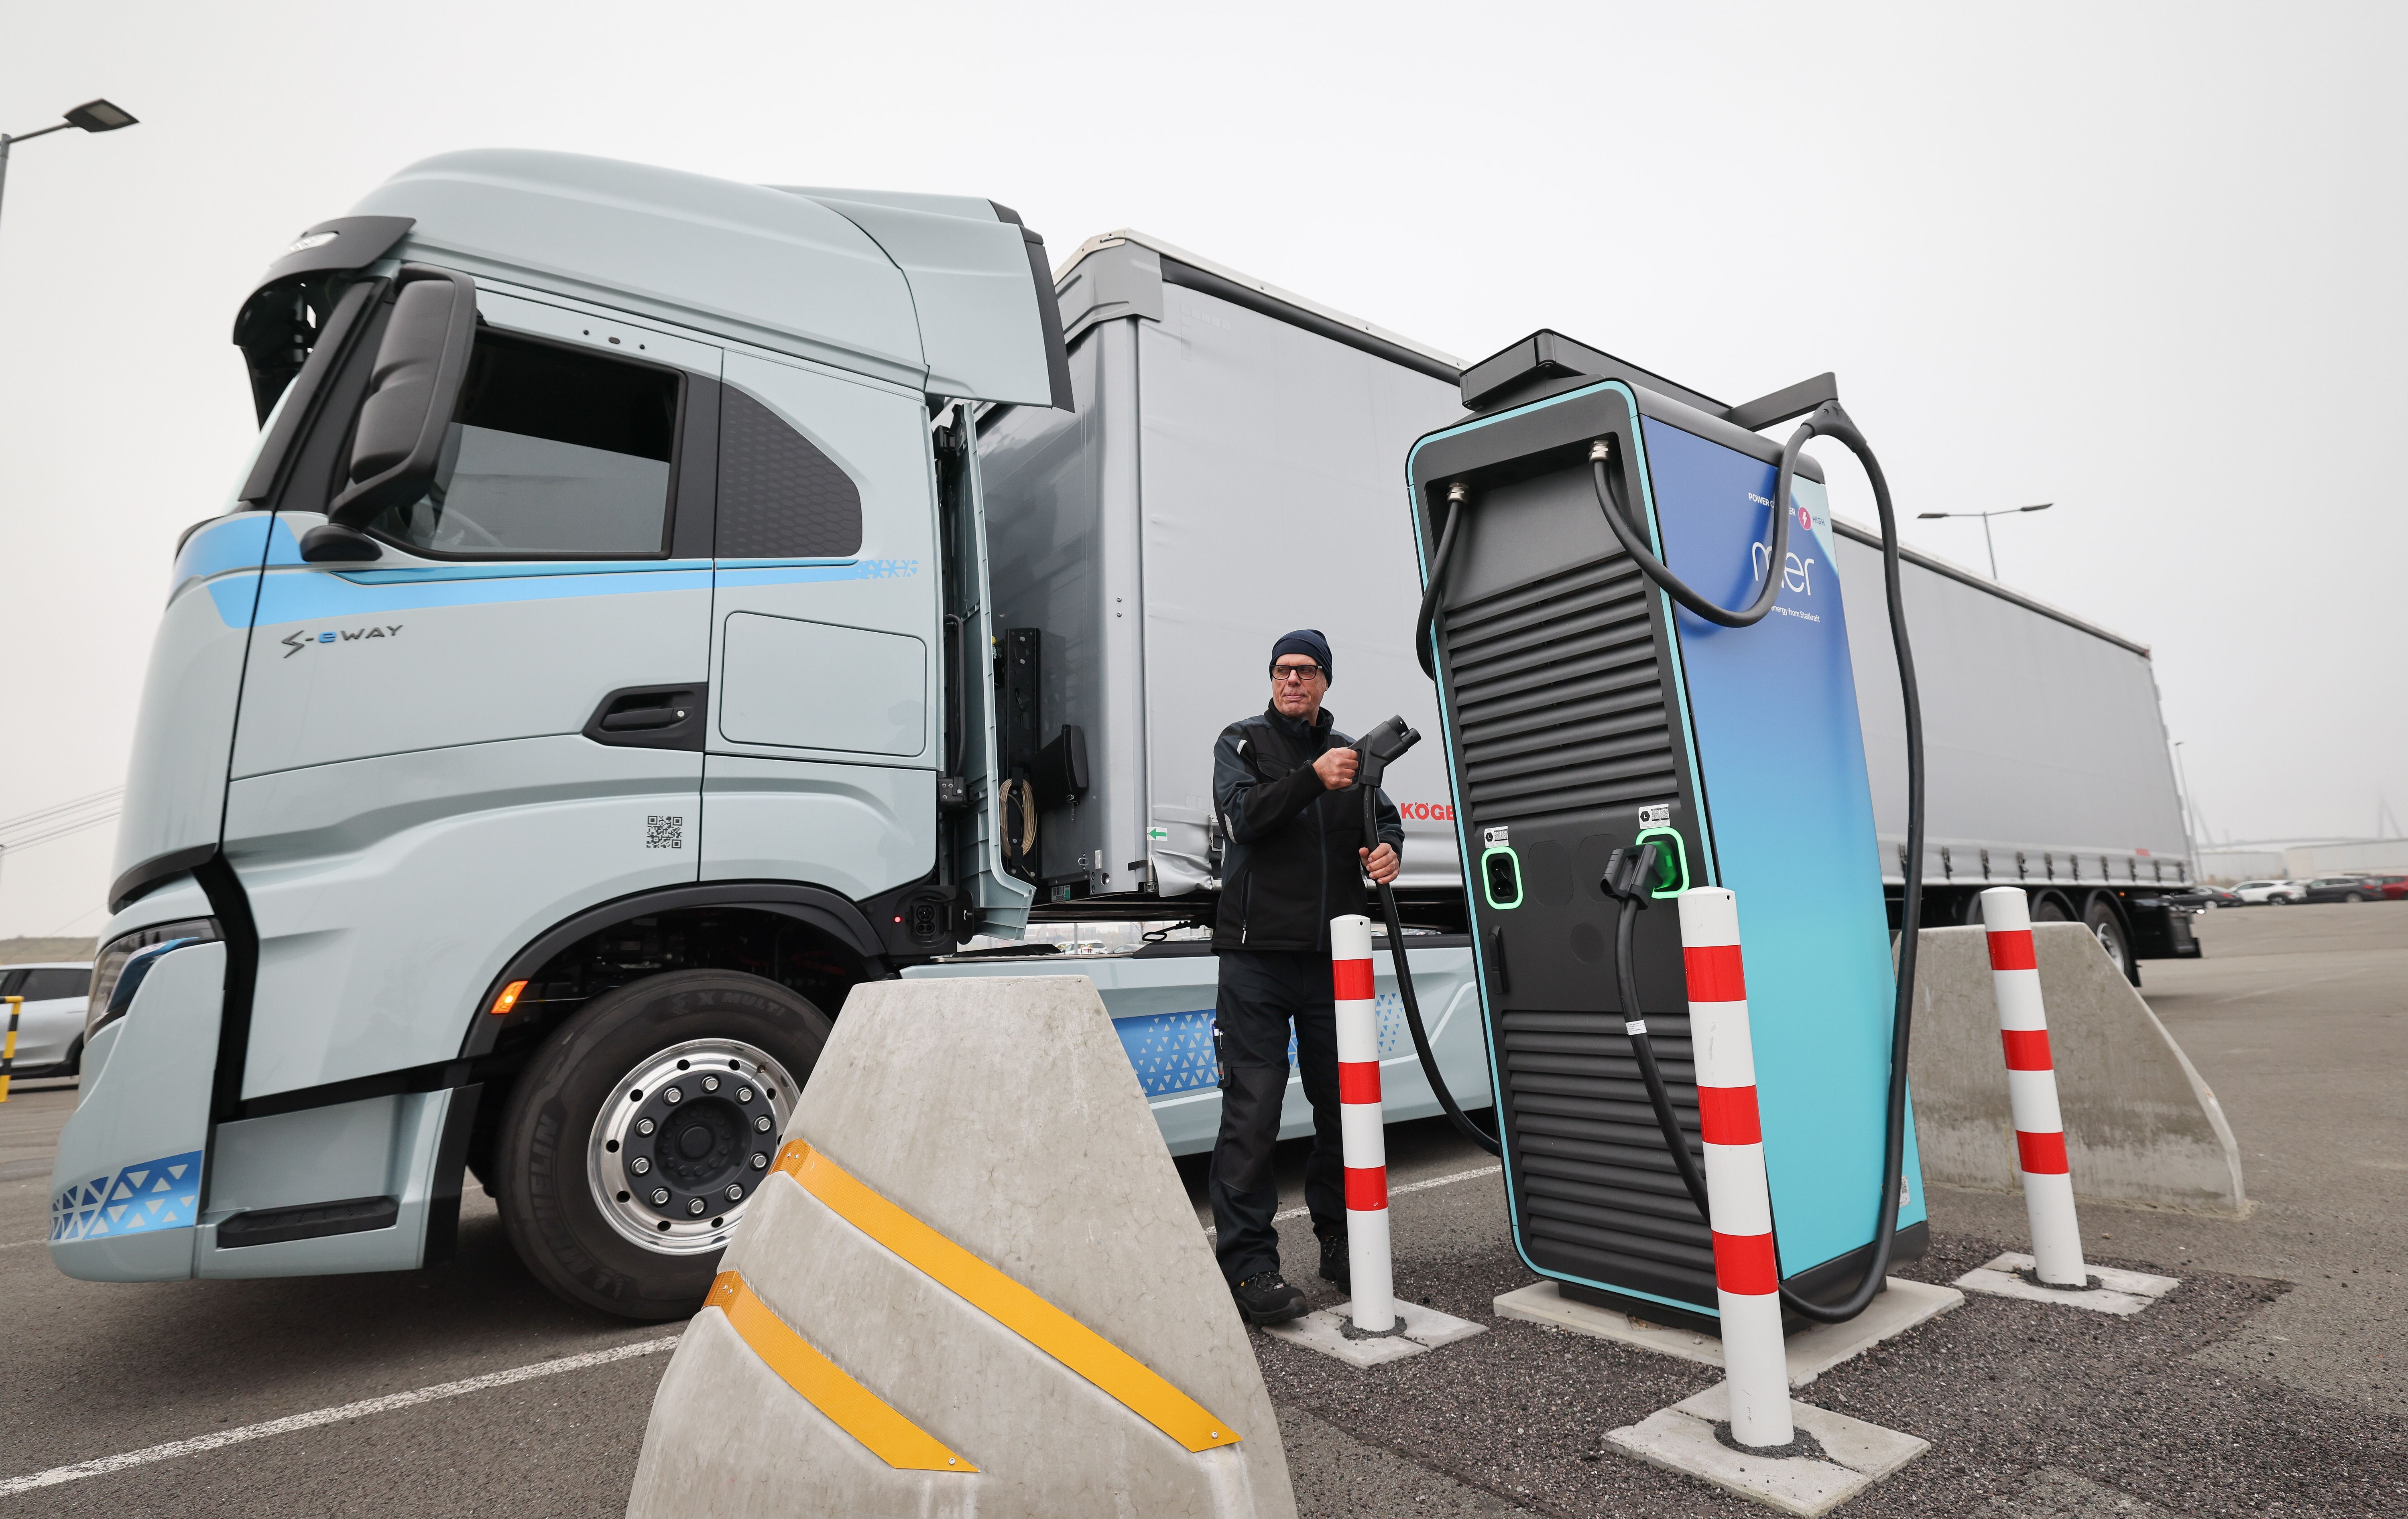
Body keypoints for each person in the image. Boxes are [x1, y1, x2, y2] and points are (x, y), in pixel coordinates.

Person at [1208, 628, 1404, 1325]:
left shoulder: (1354, 755)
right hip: (1256, 958)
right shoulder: (1241, 743)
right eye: (1283, 670)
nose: (1293, 680)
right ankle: (1251, 1266)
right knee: (1253, 1112)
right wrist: (1310, 779)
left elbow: (1385, 824)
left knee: (1342, 1109)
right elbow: (1242, 819)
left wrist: (1388, 854)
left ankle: (1341, 1241)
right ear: (1271, 679)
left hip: (1333, 959)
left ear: (1325, 682)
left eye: (1308, 671)